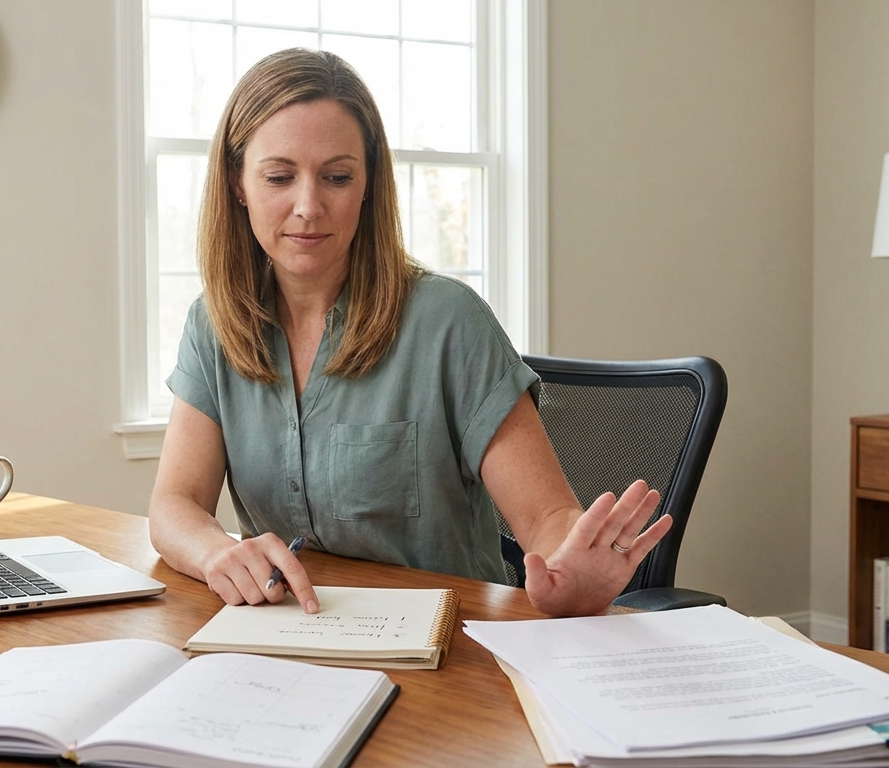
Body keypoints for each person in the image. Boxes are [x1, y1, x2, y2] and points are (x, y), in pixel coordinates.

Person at [148, 48, 670, 619]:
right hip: (285, 636)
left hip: (448, 644)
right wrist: (216, 552)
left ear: (368, 184)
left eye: (338, 177)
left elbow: (547, 519)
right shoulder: (213, 323)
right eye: (279, 177)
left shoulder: (449, 320)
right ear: (238, 183)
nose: (309, 206)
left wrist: (573, 570)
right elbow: (175, 503)